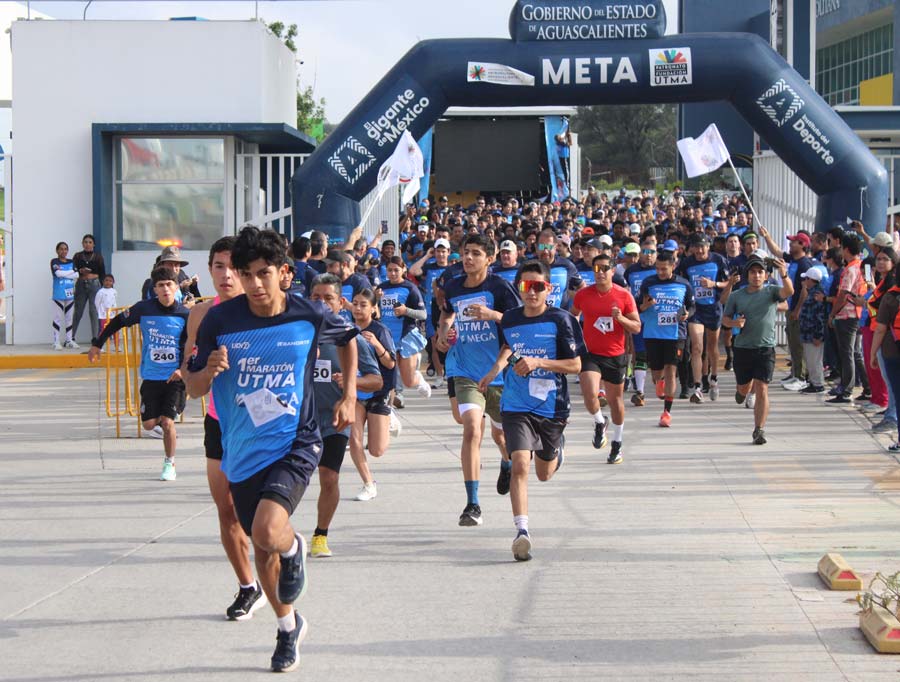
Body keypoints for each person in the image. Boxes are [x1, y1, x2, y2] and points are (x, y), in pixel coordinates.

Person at [186, 226, 359, 673]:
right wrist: (208, 369)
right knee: (262, 551)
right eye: (246, 275)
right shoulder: (220, 323)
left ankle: (295, 544)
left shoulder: (308, 314)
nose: (255, 284)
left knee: (266, 531)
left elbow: (349, 338)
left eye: (264, 274)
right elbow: (191, 388)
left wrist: (349, 394)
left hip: (295, 442)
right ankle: (288, 628)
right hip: (241, 450)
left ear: (284, 272)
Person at [181, 237, 267, 621]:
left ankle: (276, 564)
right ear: (210, 269)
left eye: (234, 267)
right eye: (218, 266)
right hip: (220, 422)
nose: (226, 275)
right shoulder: (200, 316)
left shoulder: (266, 309)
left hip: (263, 424)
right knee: (226, 511)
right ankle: (249, 586)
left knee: (263, 516)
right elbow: (191, 377)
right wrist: (203, 371)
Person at [478, 260, 582, 561]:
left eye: (538, 286)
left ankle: (555, 450)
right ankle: (522, 532)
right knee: (520, 463)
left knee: (544, 474)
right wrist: (494, 370)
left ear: (548, 288)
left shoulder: (561, 320)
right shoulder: (510, 319)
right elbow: (508, 347)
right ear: (519, 288)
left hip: (552, 405)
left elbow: (574, 365)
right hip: (516, 402)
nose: (531, 292)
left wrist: (538, 363)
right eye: (526, 286)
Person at [436, 234, 520, 526]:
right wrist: (442, 333)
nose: (468, 258)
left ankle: (507, 461)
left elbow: (519, 323)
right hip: (464, 369)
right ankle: (472, 505)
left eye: (475, 253)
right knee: (472, 429)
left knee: (501, 436)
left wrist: (492, 314)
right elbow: (446, 315)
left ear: (490, 258)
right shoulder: (453, 286)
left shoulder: (500, 287)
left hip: (497, 372)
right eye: (465, 252)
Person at [88, 266, 189, 480]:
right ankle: (165, 424)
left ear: (176, 287)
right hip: (151, 376)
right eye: (161, 286)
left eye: (169, 285)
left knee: (168, 421)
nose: (165, 290)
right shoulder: (144, 309)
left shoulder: (185, 314)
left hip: (175, 378)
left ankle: (169, 463)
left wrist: (184, 369)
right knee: (149, 424)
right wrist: (98, 343)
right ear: (155, 289)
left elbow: (194, 346)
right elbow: (116, 322)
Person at [308, 274, 383, 558]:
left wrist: (351, 385)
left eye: (328, 298)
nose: (322, 304)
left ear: (341, 303)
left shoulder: (352, 338)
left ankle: (320, 535)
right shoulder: (298, 334)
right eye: (316, 298)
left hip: (333, 421)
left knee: (328, 477)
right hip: (297, 420)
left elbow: (376, 380)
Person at [571, 251, 641, 463]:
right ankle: (600, 422)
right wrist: (573, 335)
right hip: (590, 353)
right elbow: (573, 314)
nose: (600, 273)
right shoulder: (584, 294)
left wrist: (620, 318)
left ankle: (617, 444)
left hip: (615, 354)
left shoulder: (623, 296)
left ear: (612, 270)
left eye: (604, 269)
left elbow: (636, 327)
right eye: (596, 269)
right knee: (590, 394)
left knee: (615, 400)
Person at [722, 254, 793, 444]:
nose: (756, 275)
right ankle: (742, 392)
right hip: (743, 348)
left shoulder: (772, 292)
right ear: (747, 275)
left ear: (766, 275)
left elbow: (789, 291)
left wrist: (784, 274)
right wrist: (735, 322)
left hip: (765, 348)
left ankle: (759, 429)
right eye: (752, 272)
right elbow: (725, 319)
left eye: (760, 272)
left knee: (762, 388)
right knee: (744, 387)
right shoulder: (737, 296)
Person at [348, 289, 397, 502]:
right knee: (354, 439)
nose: (358, 308)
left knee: (377, 450)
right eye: (355, 304)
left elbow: (391, 363)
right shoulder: (346, 329)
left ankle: (389, 418)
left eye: (363, 305)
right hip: (356, 391)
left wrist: (376, 344)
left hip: (380, 390)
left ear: (373, 308)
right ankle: (369, 483)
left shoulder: (380, 330)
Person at [636, 251, 694, 428]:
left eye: (664, 269)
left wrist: (686, 315)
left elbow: (692, 308)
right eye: (658, 269)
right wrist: (646, 305)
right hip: (653, 333)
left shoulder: (683, 284)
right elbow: (639, 306)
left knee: (671, 370)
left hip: (675, 334)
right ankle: (659, 383)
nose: (660, 272)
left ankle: (666, 412)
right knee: (656, 373)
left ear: (673, 266)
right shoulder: (649, 283)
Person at [677, 234, 731, 402]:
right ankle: (698, 386)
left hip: (713, 308)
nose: (699, 251)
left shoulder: (718, 260)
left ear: (708, 246)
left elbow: (728, 282)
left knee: (712, 348)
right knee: (696, 348)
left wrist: (714, 284)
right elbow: (681, 284)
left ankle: (714, 379)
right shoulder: (686, 263)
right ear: (692, 248)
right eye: (696, 247)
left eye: (703, 247)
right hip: (696, 310)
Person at [379, 256, 432, 398]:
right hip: (387, 338)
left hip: (405, 336)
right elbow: (373, 311)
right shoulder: (381, 288)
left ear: (403, 270)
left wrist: (405, 311)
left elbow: (423, 315)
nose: (393, 273)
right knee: (387, 379)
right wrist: (374, 299)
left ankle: (418, 377)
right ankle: (388, 412)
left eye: (396, 270)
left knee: (408, 381)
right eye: (389, 270)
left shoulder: (410, 288)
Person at [827, 234, 870, 404]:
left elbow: (843, 294)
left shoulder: (850, 269)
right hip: (859, 314)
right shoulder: (861, 266)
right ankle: (867, 388)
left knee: (847, 353)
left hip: (847, 315)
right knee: (856, 353)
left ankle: (846, 390)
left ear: (845, 249)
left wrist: (833, 313)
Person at [623, 240, 658, 405]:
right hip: (639, 316)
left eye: (652, 252)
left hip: (660, 321)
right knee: (640, 353)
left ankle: (660, 384)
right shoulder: (631, 271)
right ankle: (640, 391)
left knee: (659, 358)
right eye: (645, 251)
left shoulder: (661, 271)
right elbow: (626, 295)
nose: (648, 255)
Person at [72, 234, 106, 342]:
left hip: (94, 284)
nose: (87, 244)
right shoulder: (77, 256)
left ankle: (95, 337)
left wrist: (104, 288)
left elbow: (102, 273)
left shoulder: (98, 256)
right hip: (81, 283)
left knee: (93, 310)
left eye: (90, 242)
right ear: (82, 243)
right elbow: (72, 270)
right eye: (85, 242)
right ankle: (71, 336)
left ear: (94, 244)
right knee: (78, 311)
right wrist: (80, 271)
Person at [50, 241, 79, 350]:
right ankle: (56, 341)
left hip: (70, 294)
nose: (63, 251)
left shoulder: (71, 261)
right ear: (57, 250)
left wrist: (66, 273)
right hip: (58, 294)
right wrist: (70, 272)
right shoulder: (54, 261)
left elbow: (76, 275)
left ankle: (69, 340)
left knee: (69, 318)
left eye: (65, 249)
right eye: (61, 249)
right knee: (57, 318)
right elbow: (58, 274)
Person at [94, 274, 118, 352]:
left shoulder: (114, 291)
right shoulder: (100, 292)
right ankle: (99, 346)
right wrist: (101, 312)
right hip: (103, 315)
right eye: (106, 280)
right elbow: (97, 303)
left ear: (113, 282)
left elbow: (114, 302)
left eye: (110, 281)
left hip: (113, 315)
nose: (108, 282)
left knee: (115, 329)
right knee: (103, 331)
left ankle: (117, 346)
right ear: (103, 282)